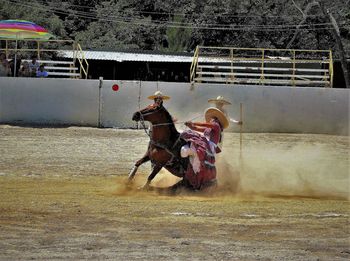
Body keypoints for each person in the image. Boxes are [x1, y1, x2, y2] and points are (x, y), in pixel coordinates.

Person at [180, 107, 230, 190]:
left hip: (209, 146)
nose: (210, 119)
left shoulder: (216, 125)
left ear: (215, 119)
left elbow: (204, 124)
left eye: (211, 118)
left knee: (196, 146)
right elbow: (195, 128)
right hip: (205, 144)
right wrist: (190, 125)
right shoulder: (209, 128)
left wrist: (193, 122)